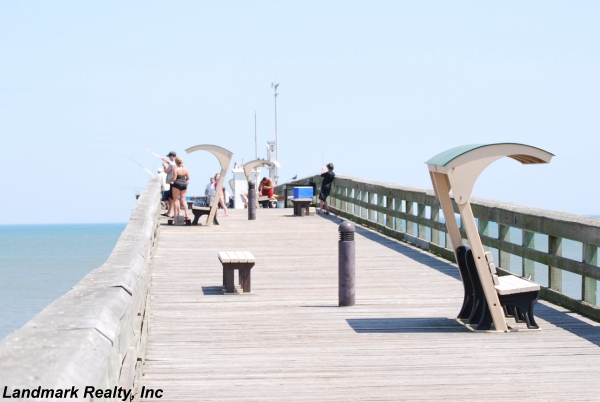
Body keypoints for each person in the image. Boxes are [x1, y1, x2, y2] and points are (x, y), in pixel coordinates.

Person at [161, 151, 177, 217]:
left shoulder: (172, 164)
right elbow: (171, 165)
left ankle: (173, 213)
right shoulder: (177, 163)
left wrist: (164, 166)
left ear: (172, 156)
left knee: (173, 199)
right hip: (176, 182)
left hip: (172, 183)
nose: (169, 158)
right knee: (171, 198)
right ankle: (169, 212)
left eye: (169, 157)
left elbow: (166, 171)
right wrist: (166, 161)